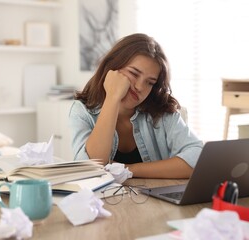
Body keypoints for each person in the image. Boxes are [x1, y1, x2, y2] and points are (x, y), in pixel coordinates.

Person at [69, 33, 203, 179]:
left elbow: (198, 158)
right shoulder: (82, 111)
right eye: (134, 73)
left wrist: (126, 169)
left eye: (150, 82)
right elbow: (91, 168)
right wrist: (113, 98)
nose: (140, 87)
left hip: (154, 200)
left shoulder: (162, 111)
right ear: (112, 69)